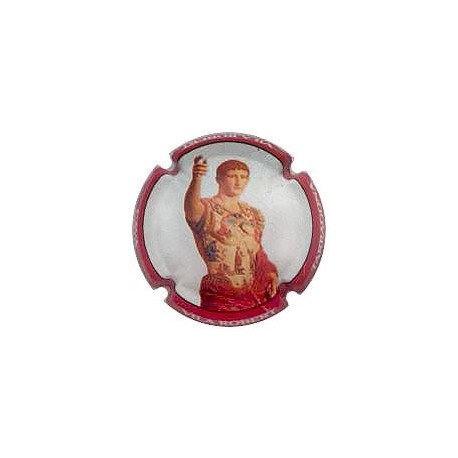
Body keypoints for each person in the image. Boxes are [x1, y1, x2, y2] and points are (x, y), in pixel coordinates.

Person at [184, 156, 278, 312]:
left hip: (253, 295)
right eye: (232, 176)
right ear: (219, 179)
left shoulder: (253, 215)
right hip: (220, 296)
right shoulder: (207, 209)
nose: (238, 181)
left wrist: (271, 275)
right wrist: (197, 178)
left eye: (243, 177)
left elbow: (258, 253)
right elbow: (190, 209)